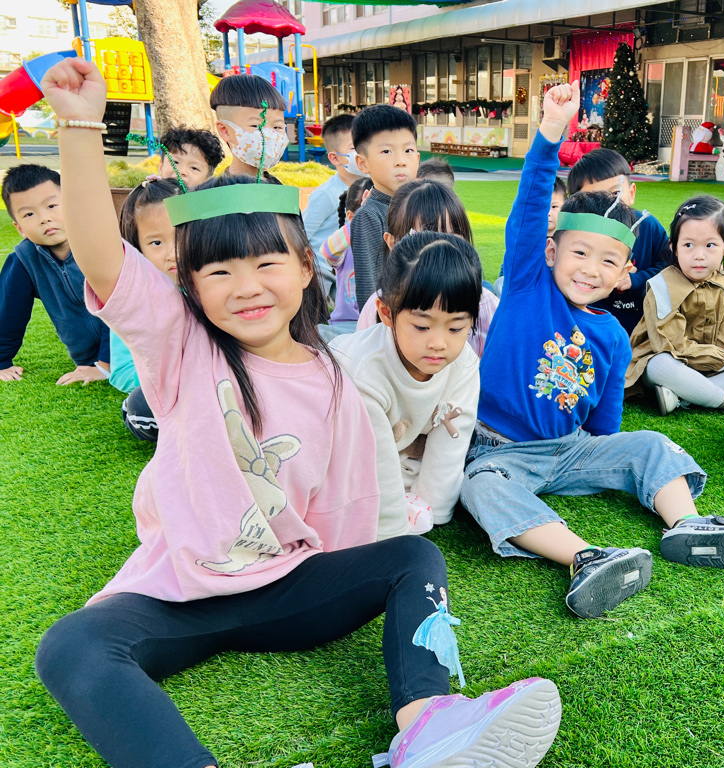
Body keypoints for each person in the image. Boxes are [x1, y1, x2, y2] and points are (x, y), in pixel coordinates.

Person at [35, 57, 561, 768]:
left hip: (289, 589)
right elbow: (103, 259)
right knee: (70, 645)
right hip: (181, 593)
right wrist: (78, 128)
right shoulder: (180, 345)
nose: (246, 287)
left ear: (307, 268)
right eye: (219, 272)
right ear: (190, 286)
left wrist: (368, 556)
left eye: (267, 265)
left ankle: (428, 723)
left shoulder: (334, 375)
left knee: (414, 555)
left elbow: (355, 495)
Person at [460, 81, 724, 620]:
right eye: (579, 253)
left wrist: (611, 454)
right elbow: (531, 201)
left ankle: (688, 526)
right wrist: (552, 130)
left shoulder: (611, 333)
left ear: (625, 271)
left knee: (650, 443)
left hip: (570, 448)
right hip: (499, 452)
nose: (591, 269)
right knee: (481, 489)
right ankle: (586, 557)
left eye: (608, 261)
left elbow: (607, 418)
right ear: (549, 251)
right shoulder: (526, 285)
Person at [332, 232, 481, 539]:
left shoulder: (463, 362)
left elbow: (452, 442)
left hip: (402, 461)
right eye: (422, 326)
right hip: (347, 463)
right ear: (386, 313)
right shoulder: (360, 370)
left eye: (456, 328)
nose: (439, 343)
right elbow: (373, 459)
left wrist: (434, 512)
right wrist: (395, 531)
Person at [626, 195, 724, 414]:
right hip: (667, 364)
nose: (699, 255)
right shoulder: (662, 286)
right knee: (660, 364)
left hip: (713, 367)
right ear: (674, 248)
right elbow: (672, 347)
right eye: (688, 245)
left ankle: (682, 397)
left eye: (710, 245)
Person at [356, 179, 499, 357]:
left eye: (452, 238)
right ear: (392, 243)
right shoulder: (378, 306)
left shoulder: (485, 305)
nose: (439, 250)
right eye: (421, 326)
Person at [0, 164, 109, 385]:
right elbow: (9, 313)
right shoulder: (23, 260)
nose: (44, 218)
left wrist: (105, 365)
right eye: (29, 214)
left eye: (51, 206)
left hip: (134, 350)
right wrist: (1, 361)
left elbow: (120, 305)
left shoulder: (102, 245)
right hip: (86, 359)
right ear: (19, 228)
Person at [567, 147, 671, 333]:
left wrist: (636, 279)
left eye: (616, 194)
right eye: (595, 198)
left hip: (645, 329)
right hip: (591, 329)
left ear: (631, 193)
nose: (609, 205)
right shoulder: (575, 236)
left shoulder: (647, 226)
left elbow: (671, 269)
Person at [109, 178, 182, 441]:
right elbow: (121, 372)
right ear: (136, 247)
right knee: (140, 408)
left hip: (220, 383)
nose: (173, 253)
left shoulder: (216, 286)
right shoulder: (133, 301)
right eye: (156, 243)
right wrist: (172, 377)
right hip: (170, 390)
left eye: (181, 236)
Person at [350, 104, 420, 308]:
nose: (401, 161)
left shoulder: (423, 204)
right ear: (363, 163)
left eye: (408, 150)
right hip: (391, 319)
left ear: (418, 158)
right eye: (387, 151)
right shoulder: (369, 216)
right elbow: (368, 288)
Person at [303, 114, 364, 296]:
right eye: (354, 148)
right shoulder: (326, 194)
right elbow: (302, 233)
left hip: (350, 268)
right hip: (323, 270)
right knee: (319, 311)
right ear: (335, 158)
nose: (362, 153)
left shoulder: (374, 186)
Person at [320, 175, 373, 339]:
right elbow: (327, 251)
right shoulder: (345, 249)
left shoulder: (389, 244)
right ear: (351, 217)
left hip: (377, 326)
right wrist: (363, 217)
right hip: (345, 325)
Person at [494, 177, 565, 298]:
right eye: (542, 207)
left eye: (554, 207)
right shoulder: (526, 240)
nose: (548, 213)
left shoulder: (567, 240)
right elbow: (509, 269)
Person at [210, 74, 289, 182]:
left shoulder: (277, 187)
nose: (269, 135)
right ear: (225, 131)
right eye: (256, 126)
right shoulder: (217, 190)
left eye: (277, 127)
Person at [157, 127, 223, 189]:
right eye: (175, 162)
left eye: (194, 168)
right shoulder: (151, 193)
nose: (181, 171)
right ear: (161, 167)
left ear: (208, 180)